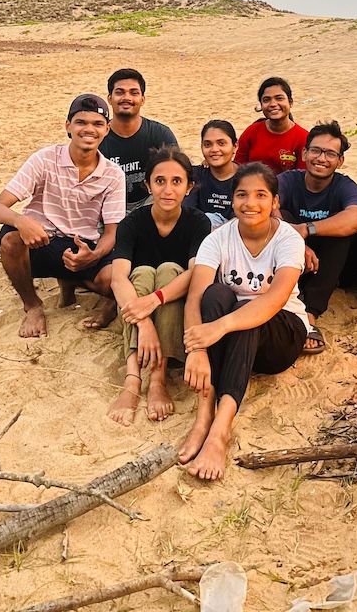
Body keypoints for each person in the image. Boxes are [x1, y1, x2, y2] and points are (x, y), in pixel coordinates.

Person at [178, 163, 308, 480]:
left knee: (249, 314)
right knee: (215, 294)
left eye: (261, 195)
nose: (250, 203)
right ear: (232, 199)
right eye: (242, 195)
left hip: (282, 334)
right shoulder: (217, 239)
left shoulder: (289, 240)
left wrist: (217, 328)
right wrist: (195, 349)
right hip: (232, 335)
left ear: (275, 201)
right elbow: (195, 297)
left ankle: (220, 430)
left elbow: (275, 299)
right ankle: (204, 409)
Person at [0, 94, 126, 338]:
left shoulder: (113, 174)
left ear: (107, 129)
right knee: (10, 241)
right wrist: (22, 221)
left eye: (97, 124)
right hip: (42, 240)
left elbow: (113, 231)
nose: (88, 130)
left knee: (113, 279)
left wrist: (94, 255)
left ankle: (76, 283)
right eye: (81, 122)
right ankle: (32, 305)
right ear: (68, 126)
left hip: (81, 245)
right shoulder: (44, 159)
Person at [107, 148, 210, 426]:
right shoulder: (132, 223)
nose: (167, 189)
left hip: (172, 311)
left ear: (189, 187)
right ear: (148, 185)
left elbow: (195, 272)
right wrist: (144, 324)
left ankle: (157, 378)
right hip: (139, 315)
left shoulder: (198, 222)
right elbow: (118, 278)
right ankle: (132, 376)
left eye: (177, 181)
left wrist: (156, 299)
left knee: (168, 270)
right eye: (160, 181)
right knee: (138, 273)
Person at [277, 121, 357, 354]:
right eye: (316, 150)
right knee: (279, 216)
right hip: (295, 262)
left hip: (331, 266)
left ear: (340, 161)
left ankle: (310, 315)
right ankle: (283, 299)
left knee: (341, 230)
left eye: (330, 153)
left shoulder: (344, 186)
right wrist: (298, 242)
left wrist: (306, 230)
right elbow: (267, 205)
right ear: (305, 153)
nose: (321, 158)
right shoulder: (288, 180)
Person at [99, 68, 178, 210]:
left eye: (134, 93)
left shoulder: (159, 134)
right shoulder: (98, 138)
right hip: (109, 205)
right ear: (109, 98)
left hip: (150, 203)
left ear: (142, 99)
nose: (126, 98)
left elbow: (178, 173)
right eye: (120, 92)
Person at [235, 77, 308, 173]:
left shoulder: (303, 138)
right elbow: (238, 167)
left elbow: (302, 177)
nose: (273, 104)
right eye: (266, 100)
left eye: (279, 98)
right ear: (261, 105)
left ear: (290, 102)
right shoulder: (251, 132)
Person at [183, 120, 239, 228]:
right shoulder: (195, 175)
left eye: (221, 143)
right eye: (207, 144)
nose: (214, 150)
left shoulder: (246, 177)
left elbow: (243, 216)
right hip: (199, 233)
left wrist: (215, 233)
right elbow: (187, 209)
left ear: (235, 146)